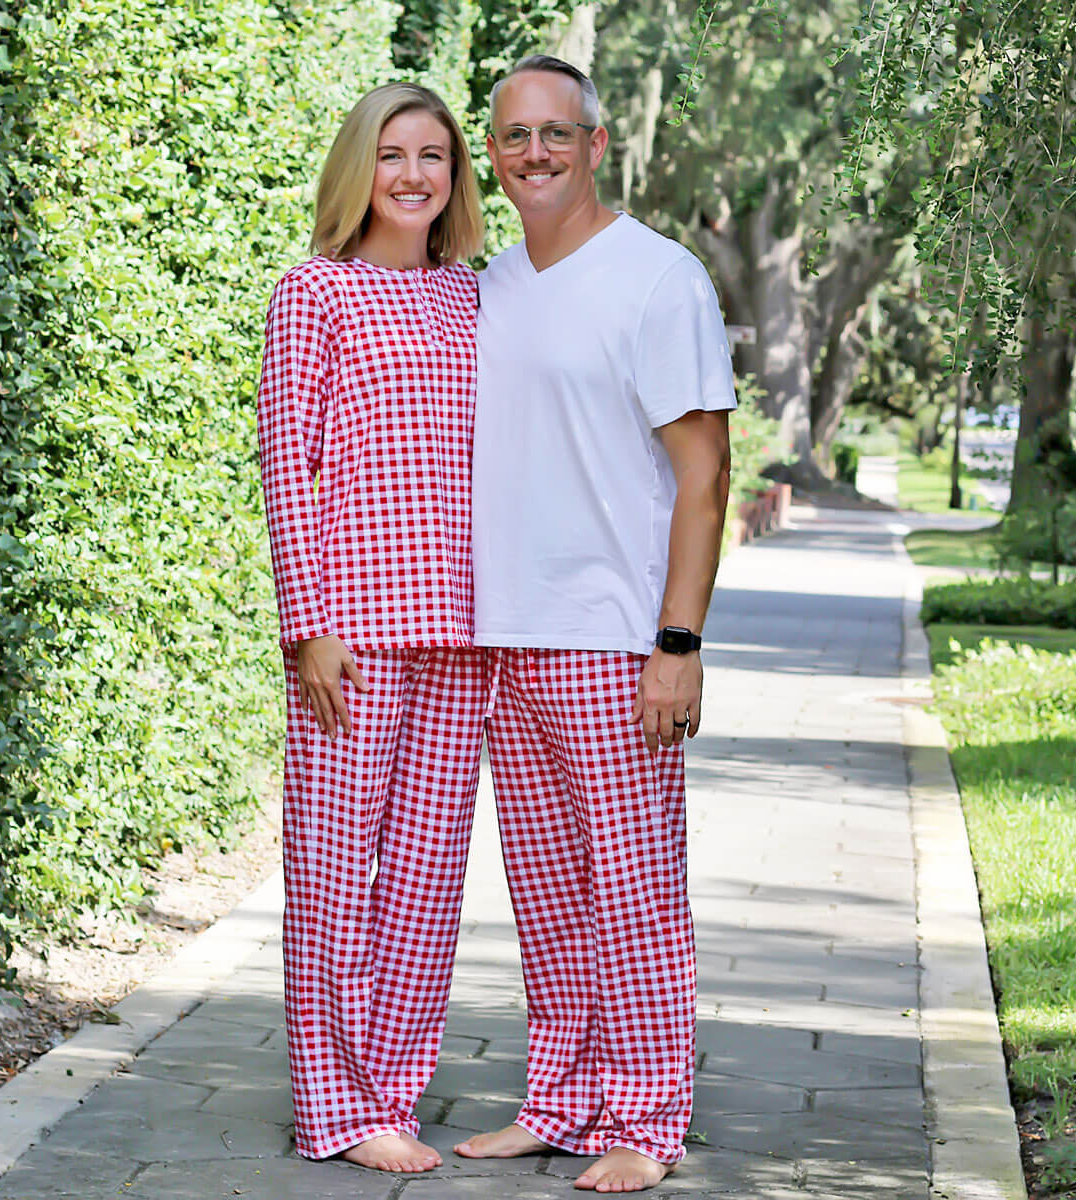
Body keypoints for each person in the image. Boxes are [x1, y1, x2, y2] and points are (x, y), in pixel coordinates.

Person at [453, 56, 736, 1192]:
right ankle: (562, 1100)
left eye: (554, 135)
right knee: (549, 896)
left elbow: (706, 471)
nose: (533, 156)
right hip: (505, 638)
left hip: (616, 641)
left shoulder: (660, 280)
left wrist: (678, 645)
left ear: (597, 144)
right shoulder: (491, 284)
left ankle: (646, 1124)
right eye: (514, 137)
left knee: (631, 894)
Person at [256, 82, 486, 1174]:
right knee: (339, 877)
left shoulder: (476, 300)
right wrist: (307, 624)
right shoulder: (314, 293)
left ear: (454, 174)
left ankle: (389, 1089)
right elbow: (287, 470)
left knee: (428, 885)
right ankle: (334, 1109)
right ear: (359, 169)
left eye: (432, 154)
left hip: (466, 633)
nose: (412, 173)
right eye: (391, 153)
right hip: (352, 627)